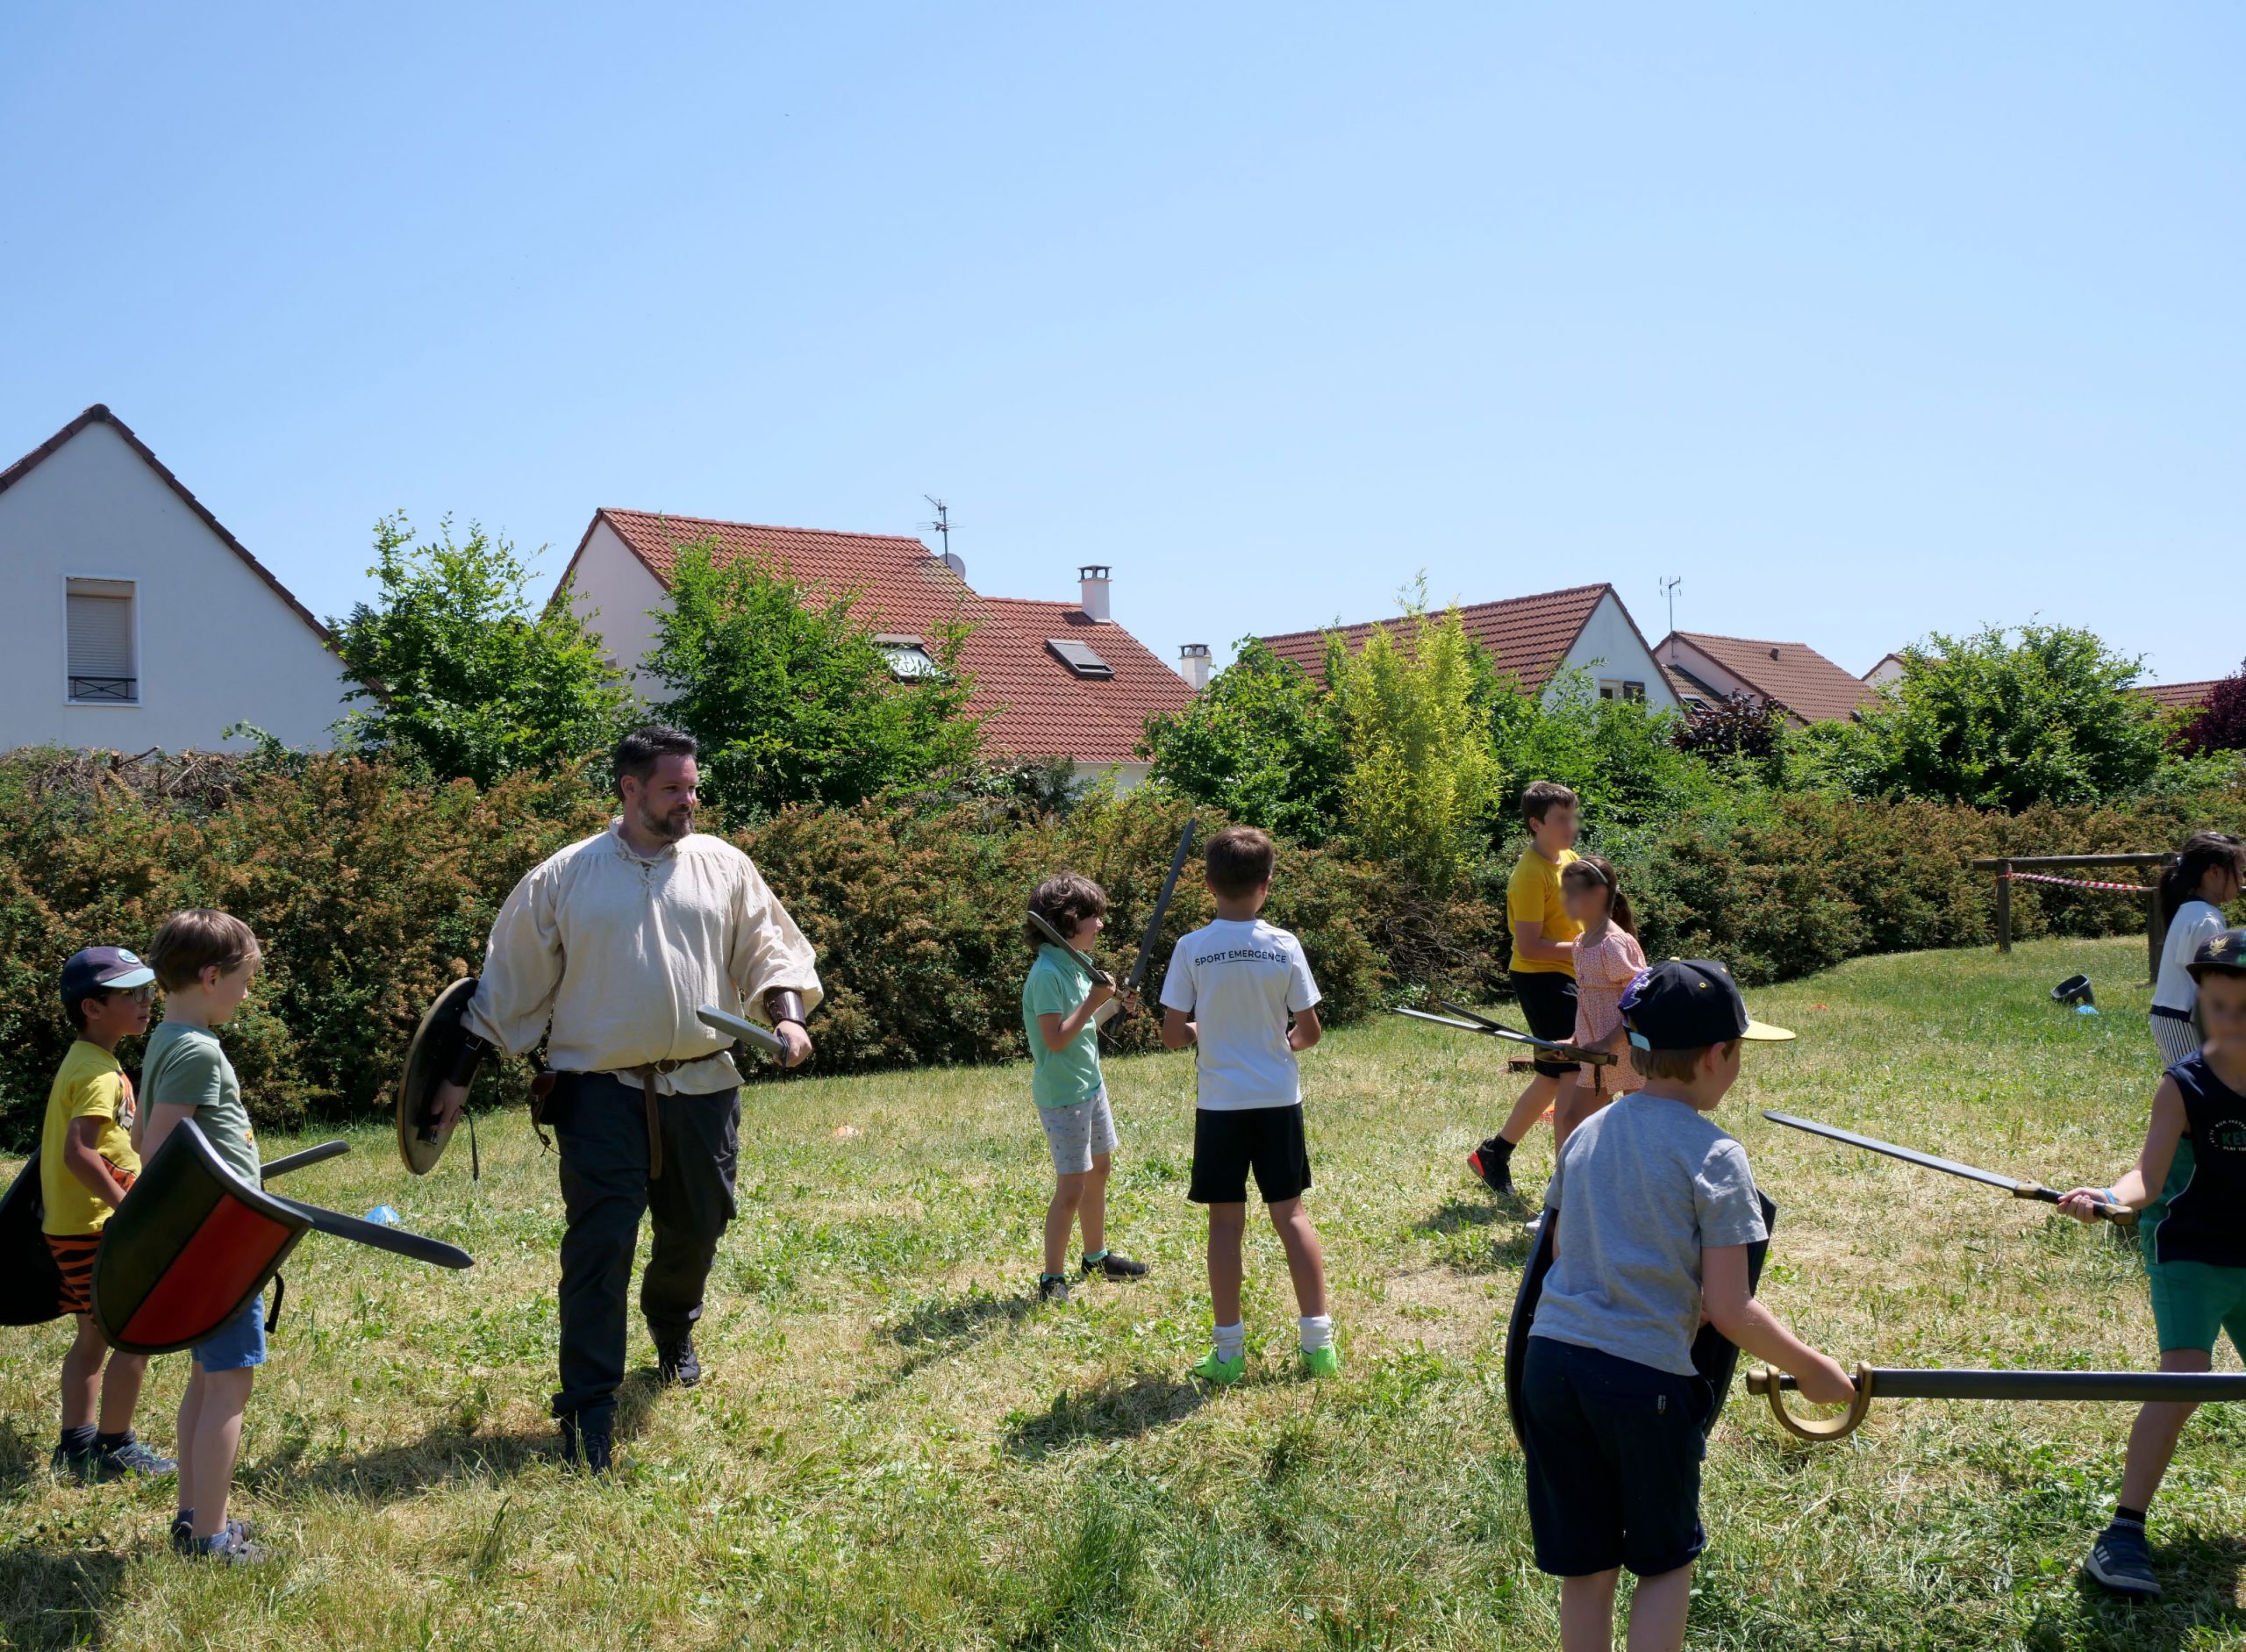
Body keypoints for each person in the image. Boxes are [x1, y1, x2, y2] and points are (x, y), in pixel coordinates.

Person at [428, 726, 820, 1472]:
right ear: (629, 789)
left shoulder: (724, 866)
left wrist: (788, 1017)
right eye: (673, 788)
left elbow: (770, 949)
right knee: (597, 1250)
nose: (689, 800)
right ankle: (588, 1405)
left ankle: (673, 1328)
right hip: (597, 1094)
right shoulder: (564, 877)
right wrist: (454, 1077)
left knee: (697, 1229)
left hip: (703, 1087)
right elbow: (507, 989)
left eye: (693, 785)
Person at [1520, 959, 1852, 1652]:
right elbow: (1729, 1308)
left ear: (1636, 1052)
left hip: (1550, 1367)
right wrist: (1815, 1369)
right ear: (1717, 1055)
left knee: (1586, 1564)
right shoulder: (1717, 1154)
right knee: (1664, 1562)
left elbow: (1557, 1257)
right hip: (1644, 1384)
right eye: (1738, 1054)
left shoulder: (1586, 1132)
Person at [2059, 926, 2246, 1600]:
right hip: (2190, 1251)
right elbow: (2146, 1176)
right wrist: (2108, 1198)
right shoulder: (2184, 1085)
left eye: (2243, 1008)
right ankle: (2123, 1532)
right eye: (2217, 1006)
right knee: (2186, 1380)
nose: (2228, 1022)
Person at [1159, 826, 1335, 1383]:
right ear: (1267, 884)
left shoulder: (1191, 948)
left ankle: (1228, 1353)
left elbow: (1170, 1034)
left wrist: (1201, 1029)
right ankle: (1318, 1344)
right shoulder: (1284, 945)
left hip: (1221, 1105)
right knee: (1292, 1216)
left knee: (1225, 1226)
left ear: (1209, 883)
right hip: (1278, 1100)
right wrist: (1283, 1042)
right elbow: (1309, 1030)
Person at [139, 909, 270, 1564]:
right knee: (229, 1386)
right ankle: (212, 1539)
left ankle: (195, 1518)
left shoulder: (166, 1037)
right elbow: (161, 1152)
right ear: (212, 974)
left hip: (209, 1241)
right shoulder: (196, 1048)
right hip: (221, 1244)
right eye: (244, 980)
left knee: (206, 1377)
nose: (246, 993)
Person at [41, 947, 175, 1484]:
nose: (147, 1002)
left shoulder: (88, 1060)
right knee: (135, 1334)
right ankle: (114, 1446)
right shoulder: (98, 1073)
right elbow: (80, 1152)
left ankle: (76, 1444)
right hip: (100, 1228)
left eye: (147, 991)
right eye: (132, 995)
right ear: (93, 1008)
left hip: (72, 1228)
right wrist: (130, 1211)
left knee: (93, 1338)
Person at [1020, 874, 1150, 1304]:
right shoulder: (1047, 975)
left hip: (1090, 1085)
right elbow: (1055, 1039)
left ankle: (1096, 1257)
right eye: (1093, 917)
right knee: (1071, 1186)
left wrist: (1112, 1004)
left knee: (1099, 1172)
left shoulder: (1074, 965)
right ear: (1068, 920)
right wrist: (1095, 1001)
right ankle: (1051, 1278)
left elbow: (1083, 1027)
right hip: (1064, 1097)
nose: (1100, 925)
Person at [1470, 782, 1583, 1199]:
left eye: (1573, 816)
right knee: (1574, 1071)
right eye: (1561, 819)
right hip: (1543, 980)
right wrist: (1587, 949)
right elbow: (1529, 945)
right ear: (1536, 824)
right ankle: (1566, 1186)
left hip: (1571, 976)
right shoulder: (1529, 876)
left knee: (1553, 1077)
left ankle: (1494, 1153)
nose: (1571, 826)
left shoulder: (1568, 859)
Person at [1554, 855, 1647, 1144]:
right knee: (1573, 1121)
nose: (1565, 899)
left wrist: (1608, 1040)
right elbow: (1588, 1001)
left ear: (1599, 894)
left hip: (1629, 1051)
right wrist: (1576, 1040)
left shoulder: (1614, 943)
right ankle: (1574, 1185)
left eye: (1573, 892)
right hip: (1597, 1056)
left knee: (1641, 1125)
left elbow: (1641, 1000)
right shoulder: (1582, 942)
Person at [2149, 832, 2243, 1066]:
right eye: (2240, 870)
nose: (2242, 879)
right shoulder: (2205, 919)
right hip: (2183, 1020)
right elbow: (2215, 978)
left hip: (2174, 1018)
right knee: (2197, 1091)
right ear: (2214, 872)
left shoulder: (2195, 910)